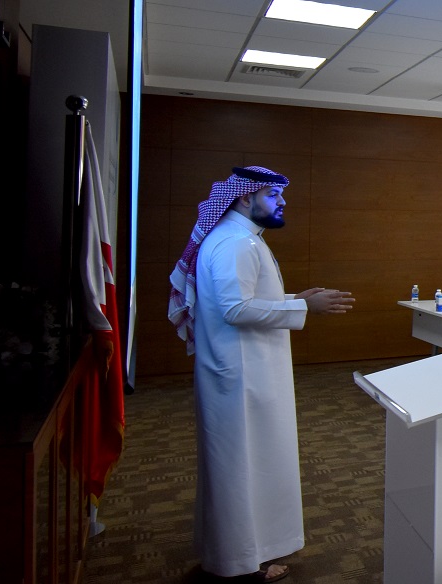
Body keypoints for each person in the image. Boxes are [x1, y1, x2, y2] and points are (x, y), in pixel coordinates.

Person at [168, 166, 354, 582]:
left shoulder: (242, 238)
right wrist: (304, 307)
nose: (282, 202)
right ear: (244, 197)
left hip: (245, 374)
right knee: (240, 471)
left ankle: (241, 556)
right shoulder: (235, 243)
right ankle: (238, 566)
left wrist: (293, 298)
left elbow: (245, 298)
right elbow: (235, 309)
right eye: (273, 194)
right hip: (240, 379)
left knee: (249, 467)